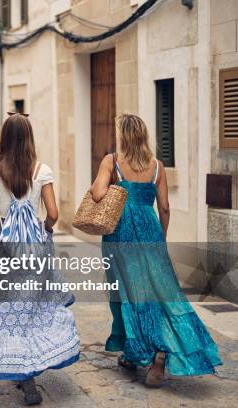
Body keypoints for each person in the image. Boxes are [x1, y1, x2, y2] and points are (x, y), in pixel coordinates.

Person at [0, 113, 80, 406]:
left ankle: (16, 368)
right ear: (30, 138)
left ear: (4, 138)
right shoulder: (42, 171)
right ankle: (31, 372)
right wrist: (45, 229)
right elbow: (53, 213)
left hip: (5, 248)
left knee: (7, 310)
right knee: (34, 310)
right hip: (35, 250)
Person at [90, 113, 222, 386]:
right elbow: (164, 207)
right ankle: (146, 351)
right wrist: (161, 237)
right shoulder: (158, 167)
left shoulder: (112, 161)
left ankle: (146, 350)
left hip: (120, 234)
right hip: (151, 232)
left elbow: (97, 194)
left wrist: (114, 184)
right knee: (161, 292)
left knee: (125, 292)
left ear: (123, 136)